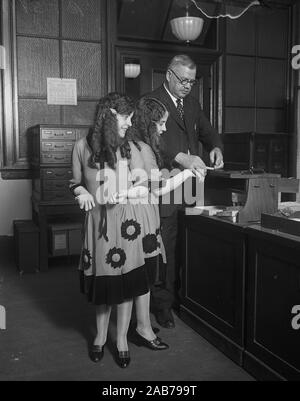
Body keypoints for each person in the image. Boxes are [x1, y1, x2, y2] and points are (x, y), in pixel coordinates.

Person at [69, 92, 168, 369]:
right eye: (126, 118)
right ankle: (100, 337)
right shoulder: (81, 147)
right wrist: (80, 193)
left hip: (127, 227)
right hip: (98, 227)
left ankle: (122, 340)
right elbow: (74, 182)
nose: (129, 123)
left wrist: (133, 191)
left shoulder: (130, 149)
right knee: (105, 287)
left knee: (126, 286)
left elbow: (147, 185)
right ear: (111, 116)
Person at [146, 54, 224, 329]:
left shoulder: (191, 102)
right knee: (165, 248)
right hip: (165, 187)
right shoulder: (150, 102)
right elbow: (149, 140)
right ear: (168, 74)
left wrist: (215, 146)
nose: (187, 86)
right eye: (183, 80)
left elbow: (207, 130)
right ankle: (162, 306)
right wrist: (182, 157)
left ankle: (184, 298)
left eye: (192, 81)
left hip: (191, 189)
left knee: (188, 245)